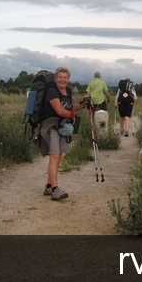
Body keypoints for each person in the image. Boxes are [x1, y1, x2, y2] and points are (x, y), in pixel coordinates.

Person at [38, 66, 87, 201]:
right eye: (60, 77)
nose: (63, 80)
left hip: (63, 126)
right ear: (55, 78)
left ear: (68, 79)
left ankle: (49, 186)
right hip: (51, 126)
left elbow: (70, 107)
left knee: (58, 157)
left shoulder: (68, 91)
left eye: (65, 77)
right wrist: (72, 115)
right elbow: (59, 111)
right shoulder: (52, 92)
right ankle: (55, 190)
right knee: (54, 157)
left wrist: (83, 105)